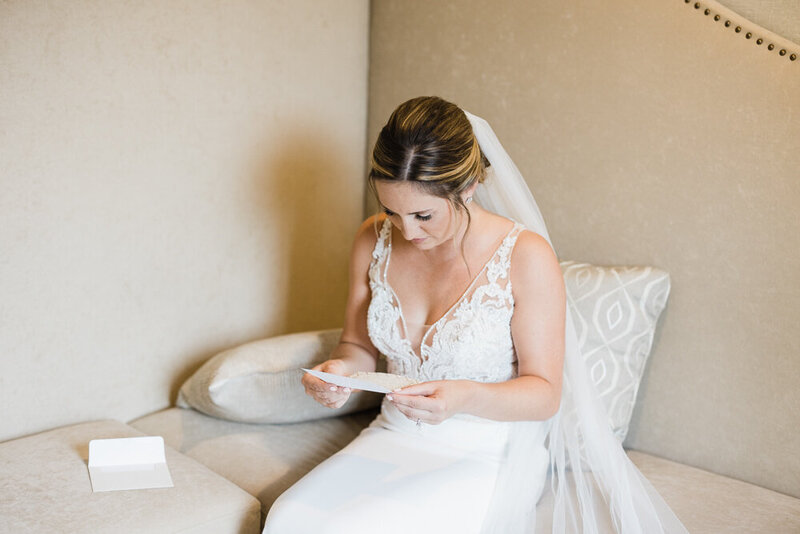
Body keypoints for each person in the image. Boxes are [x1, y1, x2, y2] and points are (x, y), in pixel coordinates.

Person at [262, 96, 687, 533]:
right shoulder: (374, 239)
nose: (406, 231)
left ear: (468, 188)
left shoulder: (524, 256)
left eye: (423, 214)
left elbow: (545, 393)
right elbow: (357, 346)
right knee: (289, 519)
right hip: (394, 433)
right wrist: (338, 373)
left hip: (486, 453)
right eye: (392, 210)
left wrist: (464, 396)